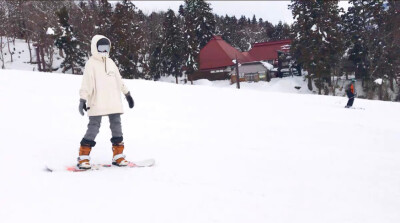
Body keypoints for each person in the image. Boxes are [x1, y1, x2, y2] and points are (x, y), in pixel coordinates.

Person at [77, 35, 134, 169]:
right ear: (95, 48)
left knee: (117, 127)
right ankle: (83, 157)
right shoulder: (91, 64)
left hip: (113, 101)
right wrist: (82, 99)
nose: (103, 51)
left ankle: (118, 156)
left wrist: (127, 94)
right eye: (101, 48)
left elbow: (119, 80)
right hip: (97, 101)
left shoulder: (111, 62)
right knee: (93, 128)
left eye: (106, 48)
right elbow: (86, 84)